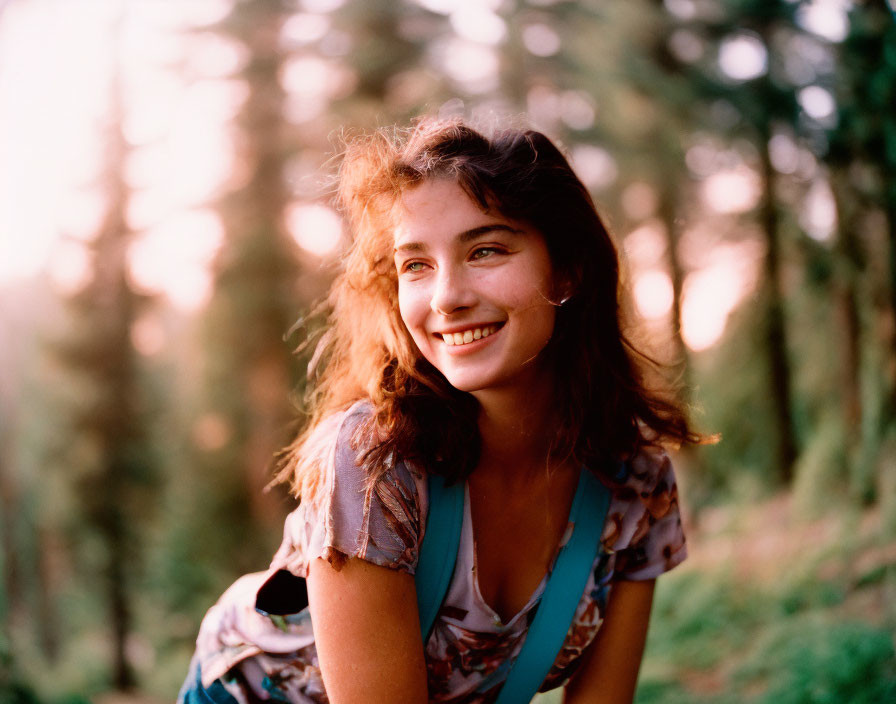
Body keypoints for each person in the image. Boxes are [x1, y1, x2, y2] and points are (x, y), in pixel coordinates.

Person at [180, 118, 703, 704]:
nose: (447, 297)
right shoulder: (374, 464)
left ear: (568, 269)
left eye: (485, 250)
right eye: (416, 265)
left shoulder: (634, 484)